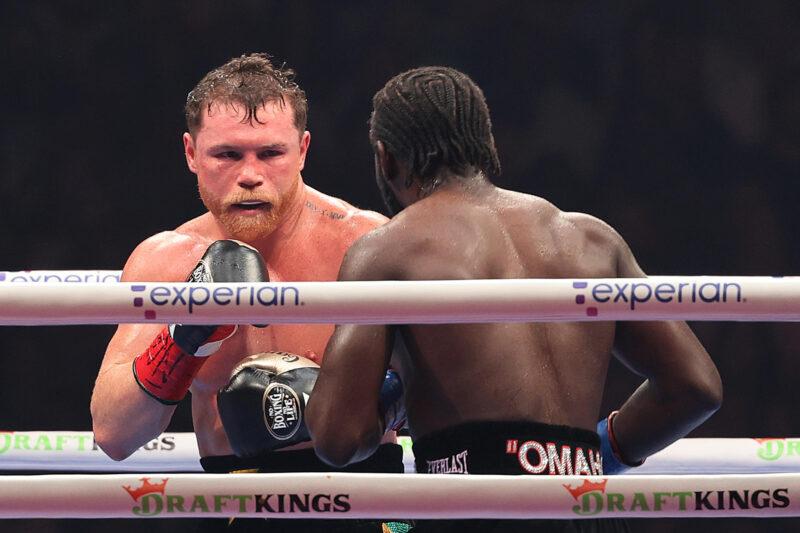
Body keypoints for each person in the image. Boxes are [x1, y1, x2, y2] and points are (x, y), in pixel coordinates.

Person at [306, 66, 723, 531]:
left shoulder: (386, 251)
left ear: (386, 160)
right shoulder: (591, 238)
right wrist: (602, 451)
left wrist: (394, 397)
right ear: (486, 143)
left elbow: (336, 437)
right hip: (585, 510)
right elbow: (695, 387)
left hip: (477, 509)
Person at [90, 54, 409, 532]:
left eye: (271, 153)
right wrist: (183, 337)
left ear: (302, 151)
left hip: (368, 499)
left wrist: (339, 407)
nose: (250, 175)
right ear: (191, 153)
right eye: (228, 155)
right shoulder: (167, 260)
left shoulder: (366, 245)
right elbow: (114, 434)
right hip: (237, 503)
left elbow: (442, 389)